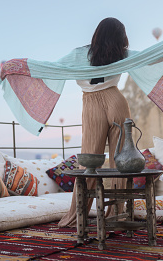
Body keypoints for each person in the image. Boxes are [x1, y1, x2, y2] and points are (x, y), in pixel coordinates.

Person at [58, 17, 131, 228]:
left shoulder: (79, 53)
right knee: (121, 160)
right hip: (116, 100)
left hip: (91, 104)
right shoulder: (122, 54)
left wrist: (21, 67)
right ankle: (116, 214)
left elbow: (52, 68)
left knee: (89, 162)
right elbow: (149, 57)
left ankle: (77, 216)